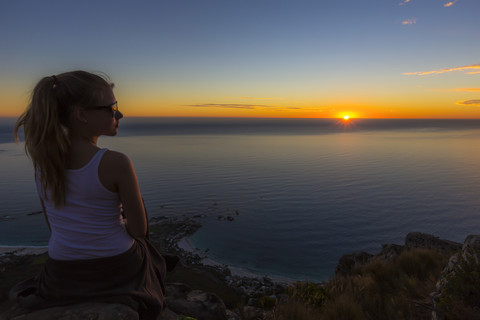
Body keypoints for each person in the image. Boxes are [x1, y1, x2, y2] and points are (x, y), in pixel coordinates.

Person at [11, 71, 166, 319]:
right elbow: (138, 231)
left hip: (61, 272)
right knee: (148, 247)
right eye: (110, 108)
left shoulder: (44, 164)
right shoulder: (115, 162)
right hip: (116, 266)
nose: (119, 114)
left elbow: (54, 225)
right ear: (81, 114)